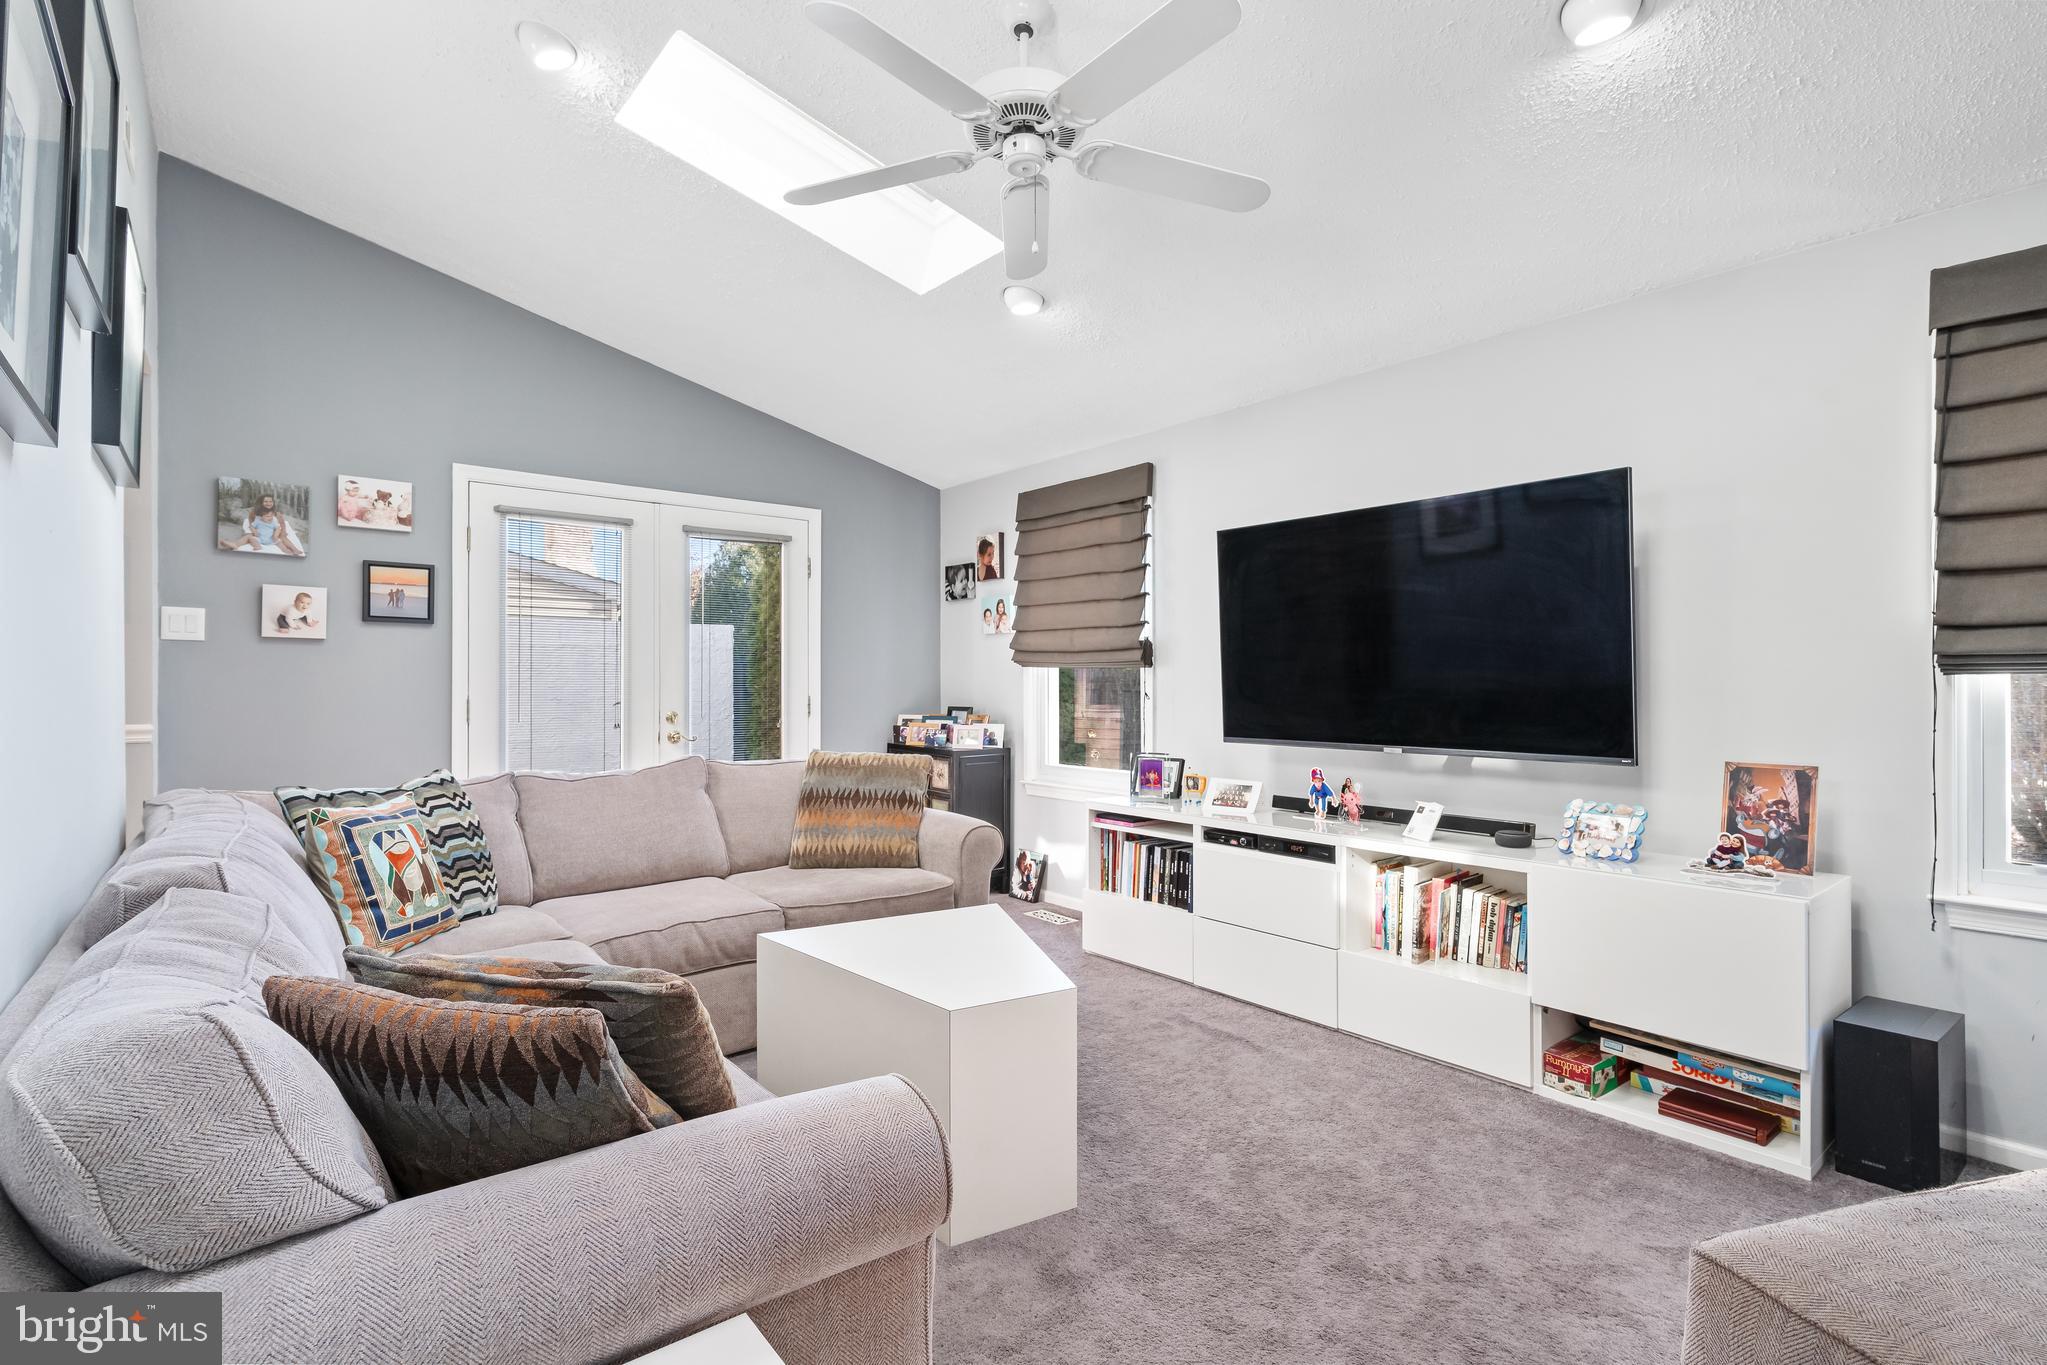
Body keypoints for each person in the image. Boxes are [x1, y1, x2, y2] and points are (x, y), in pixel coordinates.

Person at [220, 494, 305, 556]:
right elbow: (250, 520)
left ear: (273, 502)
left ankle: (294, 550)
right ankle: (235, 544)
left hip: (273, 533)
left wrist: (282, 533)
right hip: (260, 533)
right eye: (266, 501)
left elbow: (281, 524)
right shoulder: (256, 512)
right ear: (261, 502)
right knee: (248, 536)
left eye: (270, 501)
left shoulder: (276, 513)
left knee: (282, 538)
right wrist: (253, 529)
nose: (268, 503)